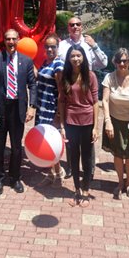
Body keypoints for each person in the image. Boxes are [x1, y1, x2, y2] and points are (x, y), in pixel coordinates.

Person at [0, 29, 37, 195]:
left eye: (14, 39)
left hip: (18, 109)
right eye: (8, 39)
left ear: (18, 40)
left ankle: (15, 178)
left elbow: (32, 85)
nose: (11, 42)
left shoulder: (27, 61)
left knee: (16, 147)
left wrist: (32, 106)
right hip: (0, 107)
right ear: (5, 41)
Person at [58, 16, 107, 178]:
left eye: (78, 24)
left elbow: (104, 63)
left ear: (82, 26)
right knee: (71, 138)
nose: (75, 27)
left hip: (86, 88)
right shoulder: (62, 45)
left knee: (88, 138)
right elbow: (57, 65)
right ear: (68, 27)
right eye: (72, 25)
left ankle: (89, 168)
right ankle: (71, 167)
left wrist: (95, 46)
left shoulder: (89, 43)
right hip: (69, 87)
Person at [102, 48, 129, 199]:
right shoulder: (109, 77)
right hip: (114, 122)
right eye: (119, 61)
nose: (122, 63)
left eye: (125, 61)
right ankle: (120, 183)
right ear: (114, 62)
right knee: (118, 154)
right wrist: (107, 122)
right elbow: (105, 100)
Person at [58, 45, 99, 206]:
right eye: (73, 56)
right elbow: (61, 102)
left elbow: (96, 102)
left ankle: (86, 190)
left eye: (79, 56)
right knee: (73, 158)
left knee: (87, 158)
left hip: (88, 121)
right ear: (68, 58)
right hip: (71, 122)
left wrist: (96, 127)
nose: (76, 59)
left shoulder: (91, 76)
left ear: (83, 58)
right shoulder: (65, 76)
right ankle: (76, 189)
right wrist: (62, 126)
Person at [35, 33, 65, 185]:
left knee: (51, 143)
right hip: (42, 107)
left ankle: (55, 173)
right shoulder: (46, 63)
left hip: (51, 109)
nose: (50, 49)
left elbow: (61, 92)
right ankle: (55, 172)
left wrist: (58, 115)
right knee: (46, 141)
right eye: (47, 46)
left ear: (58, 48)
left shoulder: (58, 64)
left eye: (53, 46)